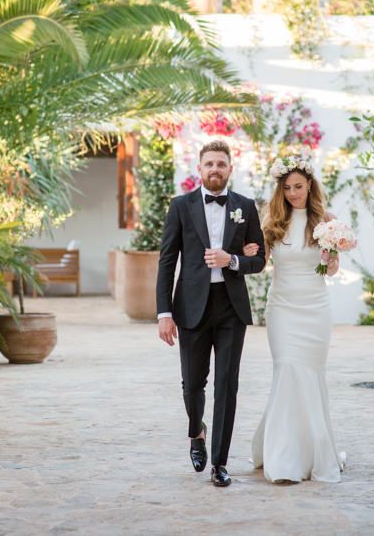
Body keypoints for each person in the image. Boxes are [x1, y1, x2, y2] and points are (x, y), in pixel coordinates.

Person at [156, 139, 266, 487]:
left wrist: (232, 260)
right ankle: (196, 431)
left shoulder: (245, 207)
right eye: (209, 164)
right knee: (192, 385)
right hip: (191, 307)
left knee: (227, 386)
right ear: (199, 169)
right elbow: (167, 262)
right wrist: (164, 312)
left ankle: (220, 462)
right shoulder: (181, 206)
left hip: (231, 307)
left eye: (221, 163)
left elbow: (259, 259)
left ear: (230, 169)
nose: (215, 169)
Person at [246, 155, 345, 483]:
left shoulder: (325, 220)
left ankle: (311, 452)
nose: (292, 193)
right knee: (287, 369)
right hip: (283, 308)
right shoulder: (272, 220)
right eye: (286, 187)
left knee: (311, 375)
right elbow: (261, 262)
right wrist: (247, 254)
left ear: (310, 185)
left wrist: (331, 254)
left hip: (315, 308)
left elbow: (330, 271)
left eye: (298, 186)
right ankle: (283, 457)